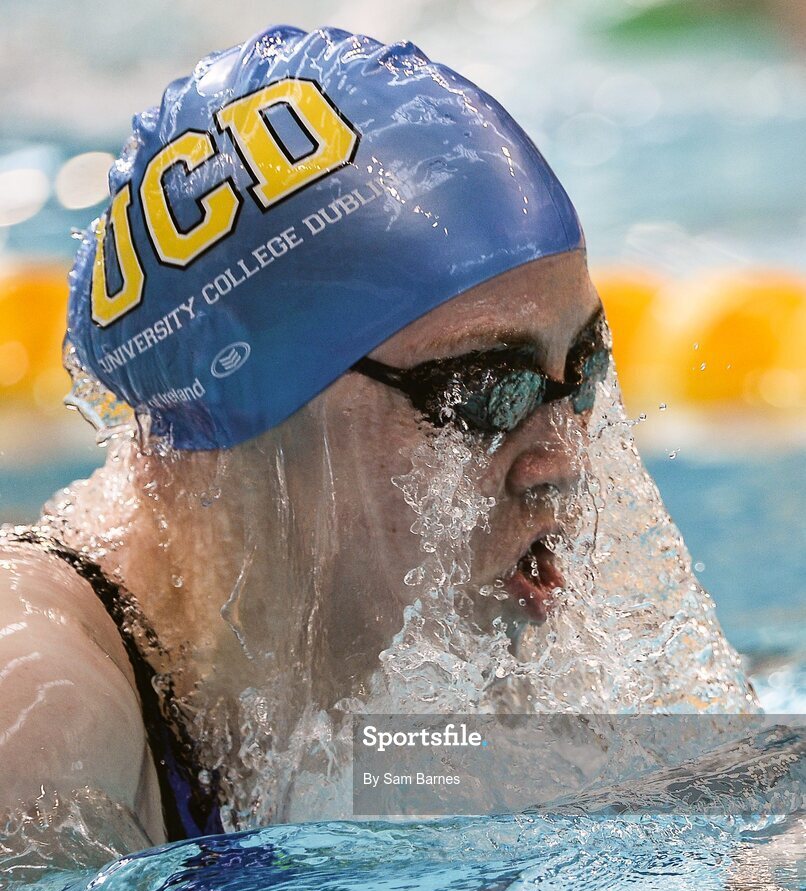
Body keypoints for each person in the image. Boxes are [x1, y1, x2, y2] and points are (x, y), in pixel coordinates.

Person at [0, 24, 644, 845]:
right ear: (262, 412)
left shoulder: (379, 678)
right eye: (482, 389)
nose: (564, 459)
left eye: (583, 365)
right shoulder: (35, 715)